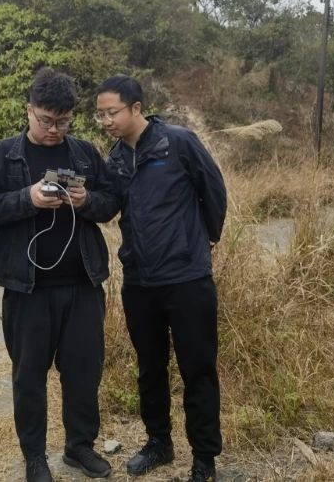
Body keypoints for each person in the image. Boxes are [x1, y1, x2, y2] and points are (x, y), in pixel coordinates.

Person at [0, 68, 119, 482]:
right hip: (27, 289)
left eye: (63, 121)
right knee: (29, 376)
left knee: (84, 371)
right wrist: (27, 198)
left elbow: (111, 203)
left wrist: (88, 200)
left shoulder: (84, 153)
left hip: (83, 284)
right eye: (46, 120)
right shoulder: (2, 156)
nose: (54, 130)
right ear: (28, 111)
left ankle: (79, 447)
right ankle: (35, 456)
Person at [95, 75, 227, 482]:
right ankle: (159, 443)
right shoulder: (116, 158)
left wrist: (203, 242)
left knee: (197, 368)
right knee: (150, 367)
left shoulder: (178, 142)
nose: (106, 120)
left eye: (111, 112)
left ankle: (204, 458)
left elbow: (214, 191)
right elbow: (109, 206)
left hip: (187, 279)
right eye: (100, 114)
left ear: (136, 108)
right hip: (139, 281)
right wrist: (84, 200)